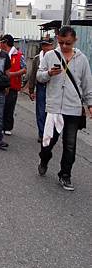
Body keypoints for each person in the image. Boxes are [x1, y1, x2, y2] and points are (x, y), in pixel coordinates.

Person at [36, 26, 92, 191]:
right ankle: (44, 160)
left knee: (70, 145)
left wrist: (90, 104)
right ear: (57, 40)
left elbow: (87, 85)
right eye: (61, 43)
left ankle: (65, 175)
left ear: (74, 40)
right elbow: (39, 76)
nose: (65, 46)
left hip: (73, 109)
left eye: (68, 43)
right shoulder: (50, 55)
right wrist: (48, 74)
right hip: (53, 108)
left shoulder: (82, 59)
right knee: (48, 142)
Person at [0, 34, 27, 136]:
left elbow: (24, 69)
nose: (0, 44)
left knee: (9, 107)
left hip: (13, 85)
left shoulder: (19, 55)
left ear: (5, 42)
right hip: (0, 85)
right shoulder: (0, 54)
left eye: (2, 42)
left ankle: (7, 127)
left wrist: (12, 74)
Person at [28, 38, 54, 141]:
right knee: (40, 111)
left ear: (52, 46)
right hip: (41, 86)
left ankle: (50, 133)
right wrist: (31, 90)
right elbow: (33, 74)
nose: (46, 47)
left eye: (48, 45)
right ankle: (42, 133)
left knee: (51, 112)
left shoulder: (56, 57)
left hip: (52, 87)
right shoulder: (37, 58)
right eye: (44, 45)